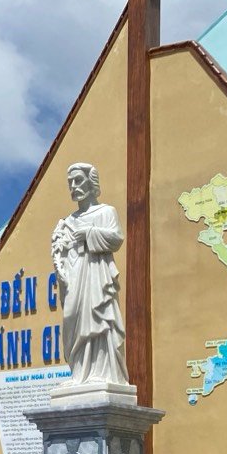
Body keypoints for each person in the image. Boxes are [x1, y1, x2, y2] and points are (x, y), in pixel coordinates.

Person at [50, 162, 129, 386]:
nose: (74, 186)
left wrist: (89, 233)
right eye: (70, 183)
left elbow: (116, 239)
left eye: (78, 180)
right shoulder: (67, 221)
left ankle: (102, 373)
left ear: (91, 182)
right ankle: (78, 374)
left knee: (99, 319)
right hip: (74, 275)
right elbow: (60, 250)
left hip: (96, 273)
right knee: (72, 318)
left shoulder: (105, 212)